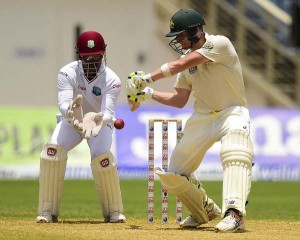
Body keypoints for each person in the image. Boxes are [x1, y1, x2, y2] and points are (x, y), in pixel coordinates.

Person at [126, 9, 254, 232]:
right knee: (173, 175)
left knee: (235, 151)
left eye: (181, 35)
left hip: (231, 112)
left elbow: (178, 65)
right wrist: (147, 93)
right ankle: (204, 209)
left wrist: (146, 78)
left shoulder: (220, 44)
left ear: (196, 31)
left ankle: (235, 214)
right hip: (203, 117)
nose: (177, 40)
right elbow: (179, 99)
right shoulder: (186, 62)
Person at [36, 30, 126, 223]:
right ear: (79, 55)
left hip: (98, 124)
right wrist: (71, 112)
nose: (92, 62)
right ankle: (47, 211)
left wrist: (97, 118)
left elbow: (108, 112)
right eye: (87, 58)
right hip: (72, 122)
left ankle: (114, 212)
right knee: (52, 152)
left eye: (97, 57)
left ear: (103, 54)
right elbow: (63, 103)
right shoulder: (66, 73)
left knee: (102, 158)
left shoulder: (113, 80)